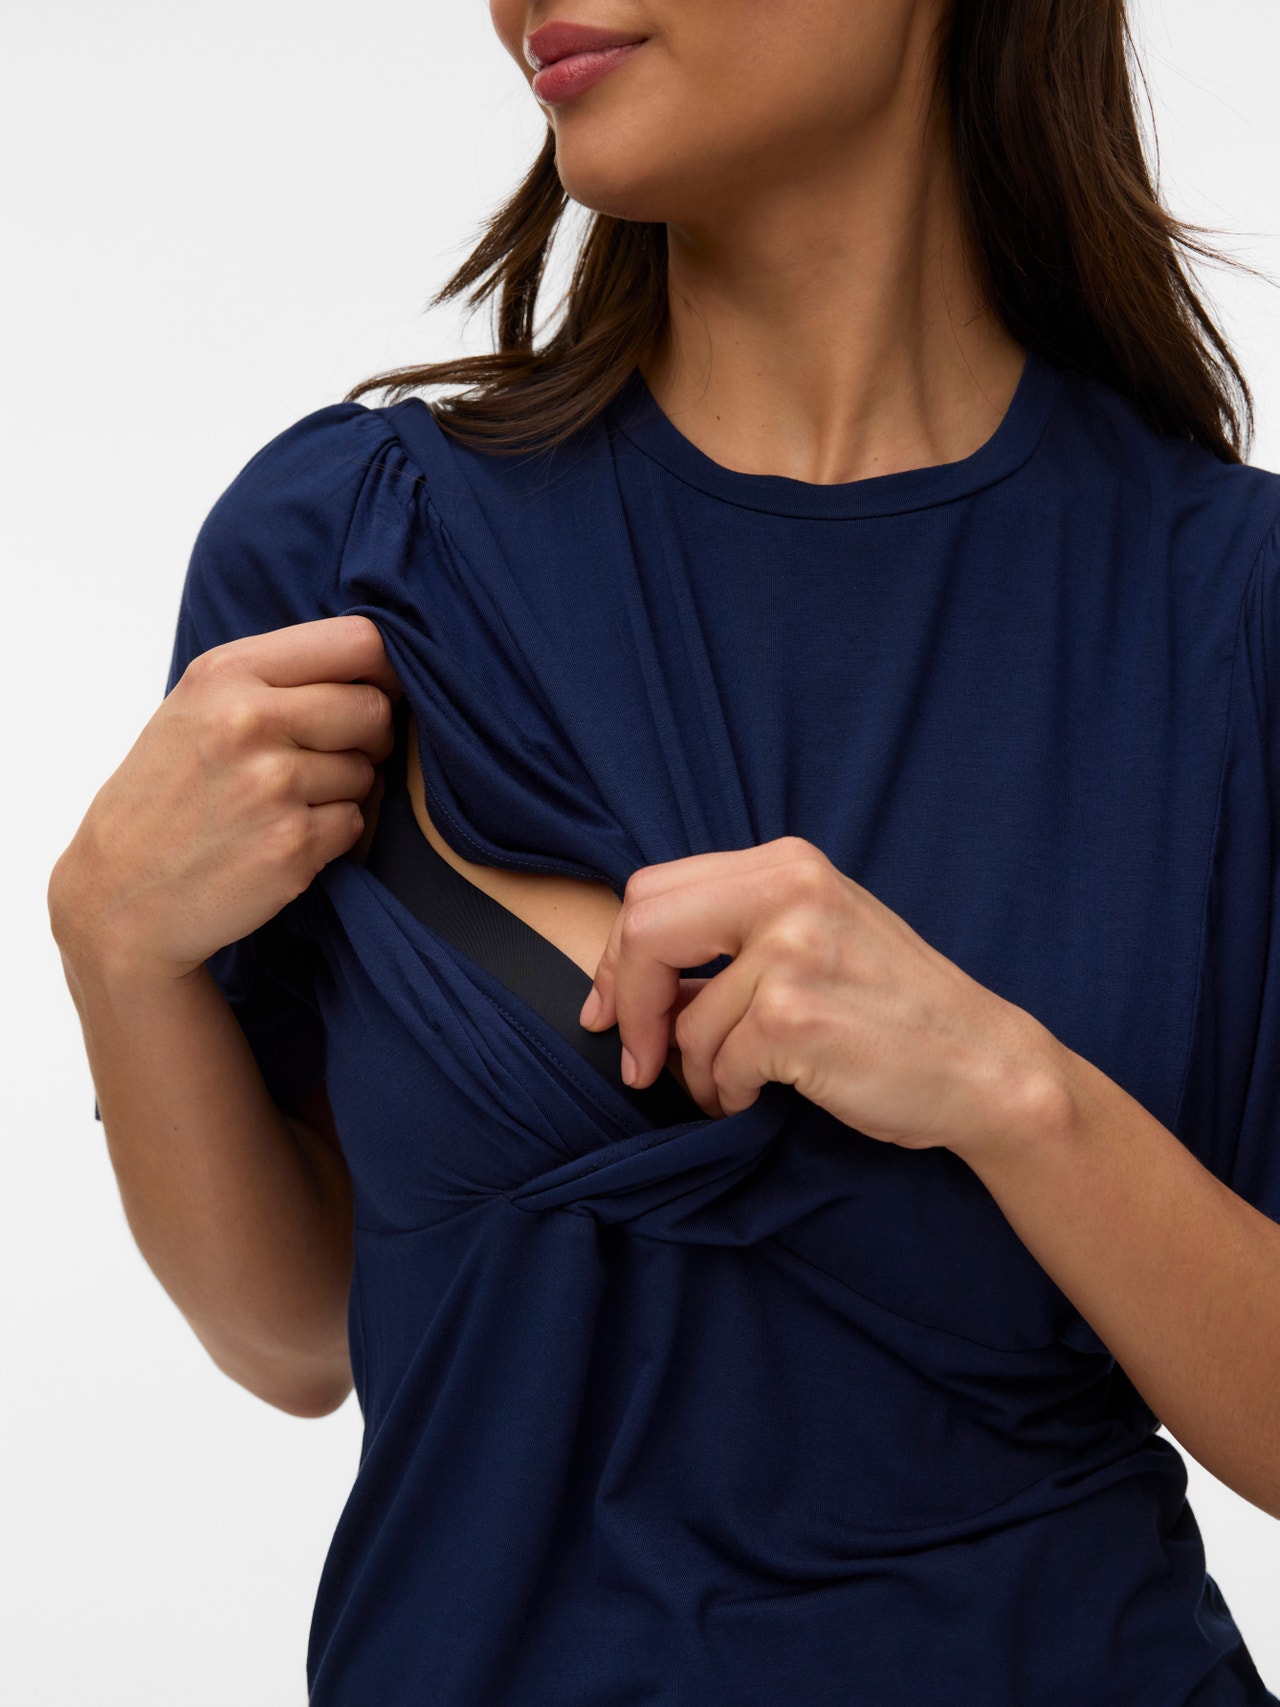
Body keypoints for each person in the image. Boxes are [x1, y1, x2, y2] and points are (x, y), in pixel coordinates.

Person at [47, 1, 1280, 1701]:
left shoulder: (1229, 615)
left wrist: (1011, 1091)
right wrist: (115, 950)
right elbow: (299, 1335)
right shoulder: (358, 556)